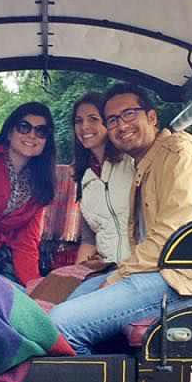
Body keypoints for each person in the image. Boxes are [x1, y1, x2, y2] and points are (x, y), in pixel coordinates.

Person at [49, 83, 192, 354]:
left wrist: (119, 275)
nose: (121, 126)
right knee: (61, 307)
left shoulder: (180, 154)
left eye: (129, 114)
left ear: (152, 117)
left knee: (59, 325)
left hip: (185, 281)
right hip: (153, 275)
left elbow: (170, 239)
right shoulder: (143, 164)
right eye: (113, 120)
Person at [0, 102, 56, 286]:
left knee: (20, 298)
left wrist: (33, 286)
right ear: (10, 132)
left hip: (0, 258)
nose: (32, 135)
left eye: (41, 131)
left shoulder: (41, 185)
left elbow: (26, 243)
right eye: (24, 127)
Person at [72, 91, 135, 264]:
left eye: (93, 118)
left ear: (108, 123)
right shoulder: (85, 178)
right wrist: (75, 275)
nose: (84, 127)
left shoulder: (132, 164)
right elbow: (89, 241)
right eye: (78, 121)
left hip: (139, 268)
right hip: (106, 268)